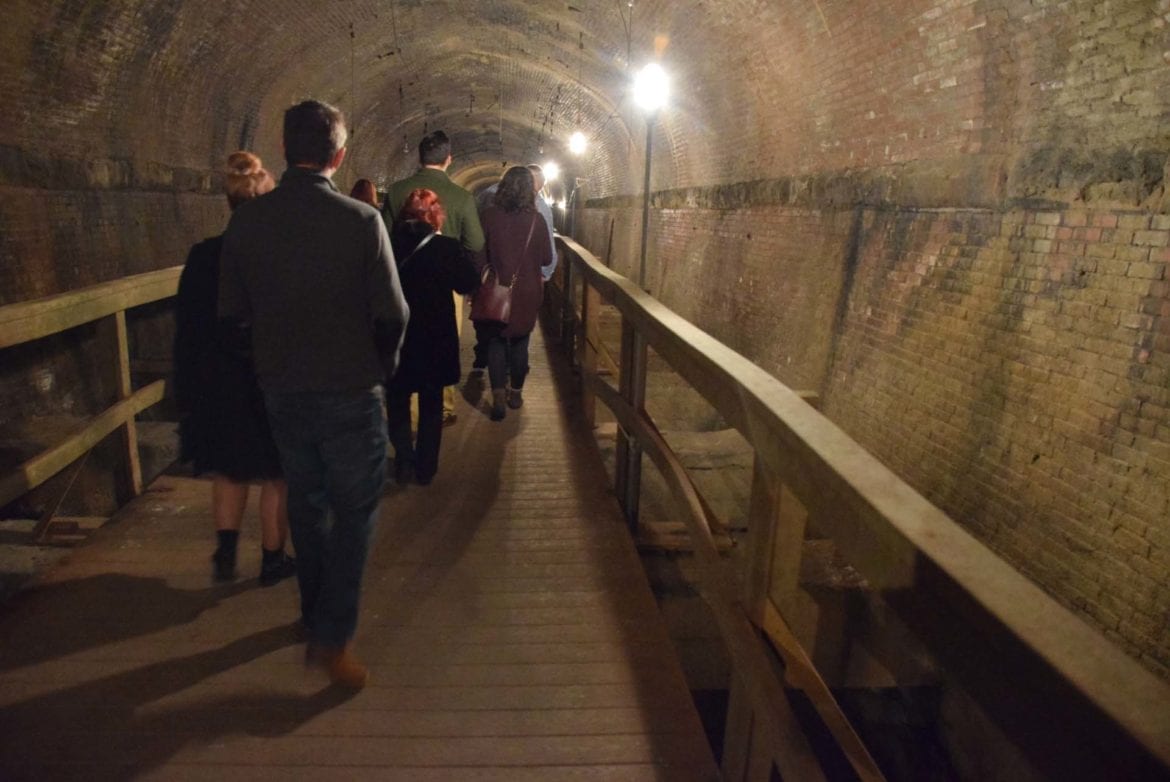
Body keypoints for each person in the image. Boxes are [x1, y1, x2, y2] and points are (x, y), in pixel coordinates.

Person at [218, 100, 409, 689]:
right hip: (351, 390)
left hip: (284, 391)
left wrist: (268, 364)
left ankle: (311, 613)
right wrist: (383, 365)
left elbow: (231, 316)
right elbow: (393, 313)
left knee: (308, 501)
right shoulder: (360, 221)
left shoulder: (247, 223)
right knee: (354, 513)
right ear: (339, 155)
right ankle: (331, 636)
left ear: (284, 149)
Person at [174, 152, 297, 587]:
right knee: (276, 474)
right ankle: (271, 560)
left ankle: (225, 552)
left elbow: (188, 325)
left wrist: (186, 386)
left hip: (219, 381)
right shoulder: (280, 256)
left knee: (230, 467)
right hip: (268, 377)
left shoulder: (203, 255)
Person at [384, 130, 484, 427]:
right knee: (443, 341)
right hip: (444, 284)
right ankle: (444, 406)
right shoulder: (461, 196)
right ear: (448, 159)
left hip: (402, 281)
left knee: (408, 341)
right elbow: (476, 242)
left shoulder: (396, 191)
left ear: (420, 157)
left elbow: (386, 238)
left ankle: (410, 414)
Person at [386, 188, 480, 486]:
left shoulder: (386, 244)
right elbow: (468, 282)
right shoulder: (446, 248)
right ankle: (426, 467)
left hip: (397, 335)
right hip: (433, 336)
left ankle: (403, 460)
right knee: (431, 401)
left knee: (397, 399)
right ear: (436, 215)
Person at [474, 166, 554, 420]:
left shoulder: (488, 216)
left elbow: (478, 253)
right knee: (520, 342)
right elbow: (547, 257)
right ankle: (516, 392)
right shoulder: (537, 219)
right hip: (527, 291)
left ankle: (497, 394)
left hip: (496, 289)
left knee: (496, 342)